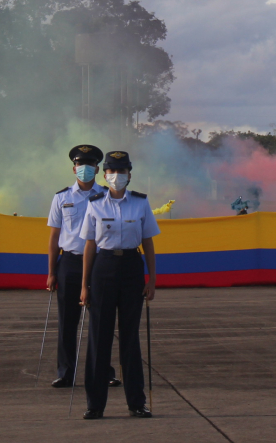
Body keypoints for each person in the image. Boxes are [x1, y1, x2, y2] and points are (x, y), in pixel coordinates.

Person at [79, 150, 159, 419]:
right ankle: (95, 404)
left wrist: (152, 279)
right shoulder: (95, 203)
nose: (116, 176)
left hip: (131, 268)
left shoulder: (140, 203)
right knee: (99, 338)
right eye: (112, 172)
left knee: (130, 338)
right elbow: (89, 243)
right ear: (105, 175)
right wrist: (84, 285)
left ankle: (136, 402)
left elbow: (148, 242)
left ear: (129, 174)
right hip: (103, 268)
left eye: (122, 171)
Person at [45, 144, 118, 389]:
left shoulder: (107, 195)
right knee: (67, 321)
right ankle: (65, 373)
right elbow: (54, 238)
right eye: (80, 165)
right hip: (70, 262)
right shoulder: (62, 198)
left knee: (101, 320)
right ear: (73, 168)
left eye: (90, 165)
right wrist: (52, 272)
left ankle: (104, 371)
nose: (84, 169)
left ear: (98, 169)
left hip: (100, 263)